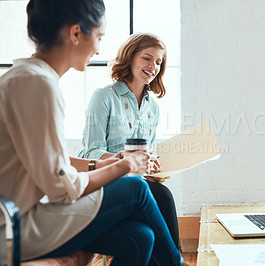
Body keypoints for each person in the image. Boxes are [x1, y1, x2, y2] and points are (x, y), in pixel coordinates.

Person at [0, 0, 186, 265]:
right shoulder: (38, 84)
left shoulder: (28, 77)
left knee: (140, 237)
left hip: (21, 216)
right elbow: (62, 189)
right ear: (75, 34)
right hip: (13, 226)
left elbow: (49, 163)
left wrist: (102, 163)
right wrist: (125, 166)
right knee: (136, 188)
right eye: (99, 37)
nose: (98, 49)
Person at [79, 33, 180, 251]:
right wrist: (126, 161)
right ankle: (175, 258)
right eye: (147, 58)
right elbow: (90, 153)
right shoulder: (104, 97)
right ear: (130, 57)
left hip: (138, 183)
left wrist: (153, 170)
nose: (153, 66)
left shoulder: (153, 108)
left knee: (158, 194)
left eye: (158, 62)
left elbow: (147, 155)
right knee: (161, 197)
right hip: (106, 181)